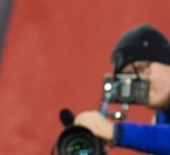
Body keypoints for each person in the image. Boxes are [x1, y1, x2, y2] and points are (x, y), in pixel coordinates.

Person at [72, 23, 170, 153]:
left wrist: (115, 131)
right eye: (129, 76)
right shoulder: (160, 120)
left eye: (142, 68)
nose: (139, 81)